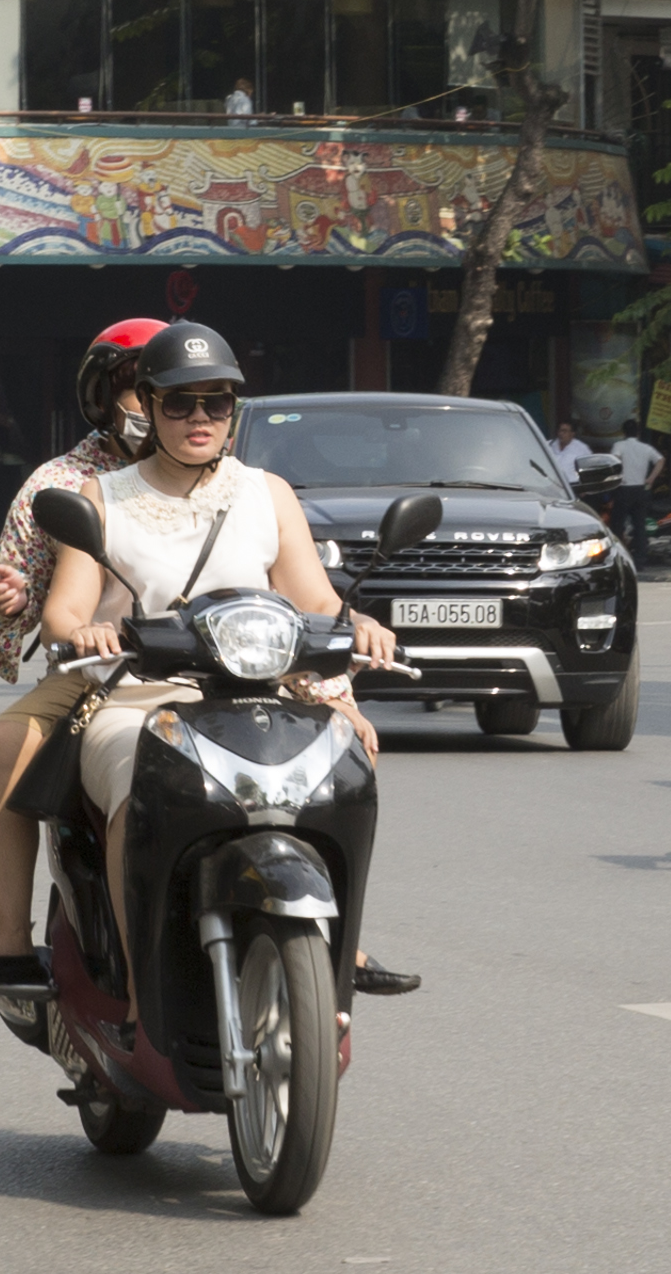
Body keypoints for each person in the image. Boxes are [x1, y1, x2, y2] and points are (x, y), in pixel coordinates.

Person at [32, 321, 418, 993]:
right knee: (136, 783)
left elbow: (314, 597)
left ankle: (339, 939)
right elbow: (63, 611)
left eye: (216, 401)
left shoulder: (266, 492)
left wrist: (362, 626)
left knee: (350, 750)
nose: (199, 417)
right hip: (143, 693)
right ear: (147, 406)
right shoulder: (105, 496)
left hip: (264, 685)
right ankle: (139, 975)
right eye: (179, 401)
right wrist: (87, 632)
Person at [0, 318, 169, 987]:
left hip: (212, 668)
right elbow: (21, 606)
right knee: (2, 743)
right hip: (94, 673)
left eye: (170, 392)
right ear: (101, 396)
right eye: (134, 389)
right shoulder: (59, 482)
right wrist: (9, 602)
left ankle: (339, 942)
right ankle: (12, 938)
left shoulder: (237, 482)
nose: (152, 407)